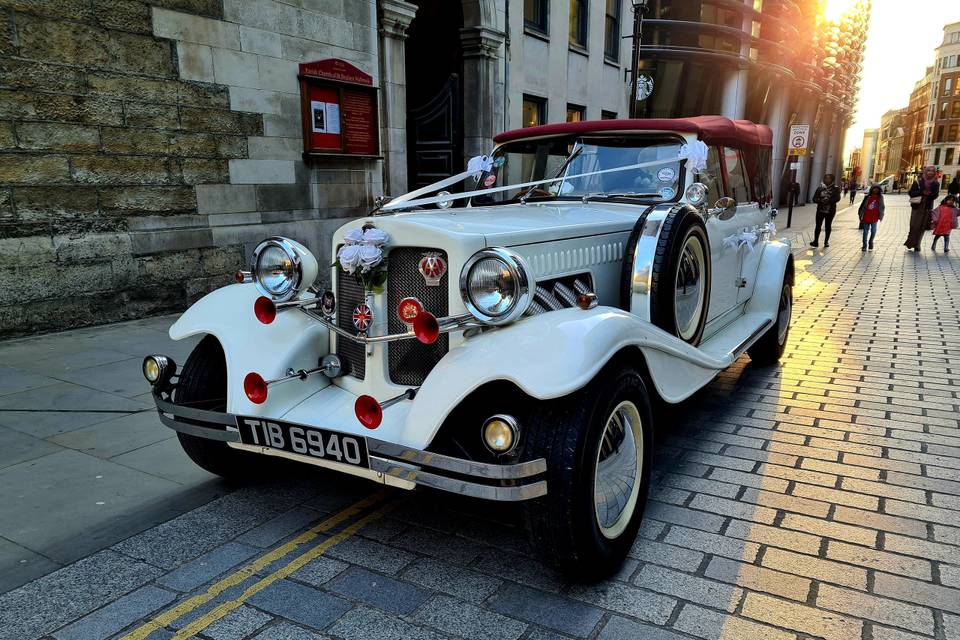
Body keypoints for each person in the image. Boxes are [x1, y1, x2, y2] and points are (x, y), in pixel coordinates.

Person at [904, 166, 941, 251]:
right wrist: (922, 192)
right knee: (914, 225)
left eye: (932, 171)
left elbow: (935, 195)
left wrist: (930, 194)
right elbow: (911, 193)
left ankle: (917, 244)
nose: (930, 173)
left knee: (922, 226)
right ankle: (910, 242)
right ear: (925, 171)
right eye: (929, 171)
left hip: (927, 207)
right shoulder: (918, 181)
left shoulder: (936, 183)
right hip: (917, 206)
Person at [810, 173, 842, 248]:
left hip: (830, 211)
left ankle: (826, 241)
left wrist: (828, 201)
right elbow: (814, 198)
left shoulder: (836, 188)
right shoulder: (820, 188)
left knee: (828, 226)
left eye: (828, 178)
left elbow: (837, 198)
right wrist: (821, 201)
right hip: (820, 210)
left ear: (832, 180)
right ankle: (815, 241)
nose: (826, 180)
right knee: (818, 226)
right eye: (825, 178)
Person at [858, 185, 884, 251]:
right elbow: (862, 206)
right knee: (865, 232)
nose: (875, 190)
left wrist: (881, 215)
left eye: (877, 189)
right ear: (871, 189)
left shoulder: (880, 197)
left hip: (875, 217)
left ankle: (871, 241)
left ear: (879, 190)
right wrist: (860, 214)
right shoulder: (867, 197)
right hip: (866, 216)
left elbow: (882, 206)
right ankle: (864, 245)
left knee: (873, 230)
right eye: (874, 189)